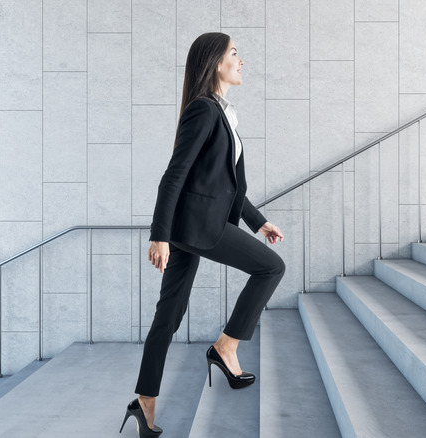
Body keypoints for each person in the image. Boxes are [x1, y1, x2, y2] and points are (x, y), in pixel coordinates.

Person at [119, 32, 286, 437]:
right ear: (214, 62)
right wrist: (158, 235)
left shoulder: (222, 112)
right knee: (271, 268)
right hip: (197, 228)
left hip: (193, 225)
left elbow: (221, 183)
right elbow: (174, 175)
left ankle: (144, 403)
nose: (241, 60)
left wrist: (257, 221)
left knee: (169, 316)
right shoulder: (204, 110)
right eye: (234, 53)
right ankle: (225, 347)